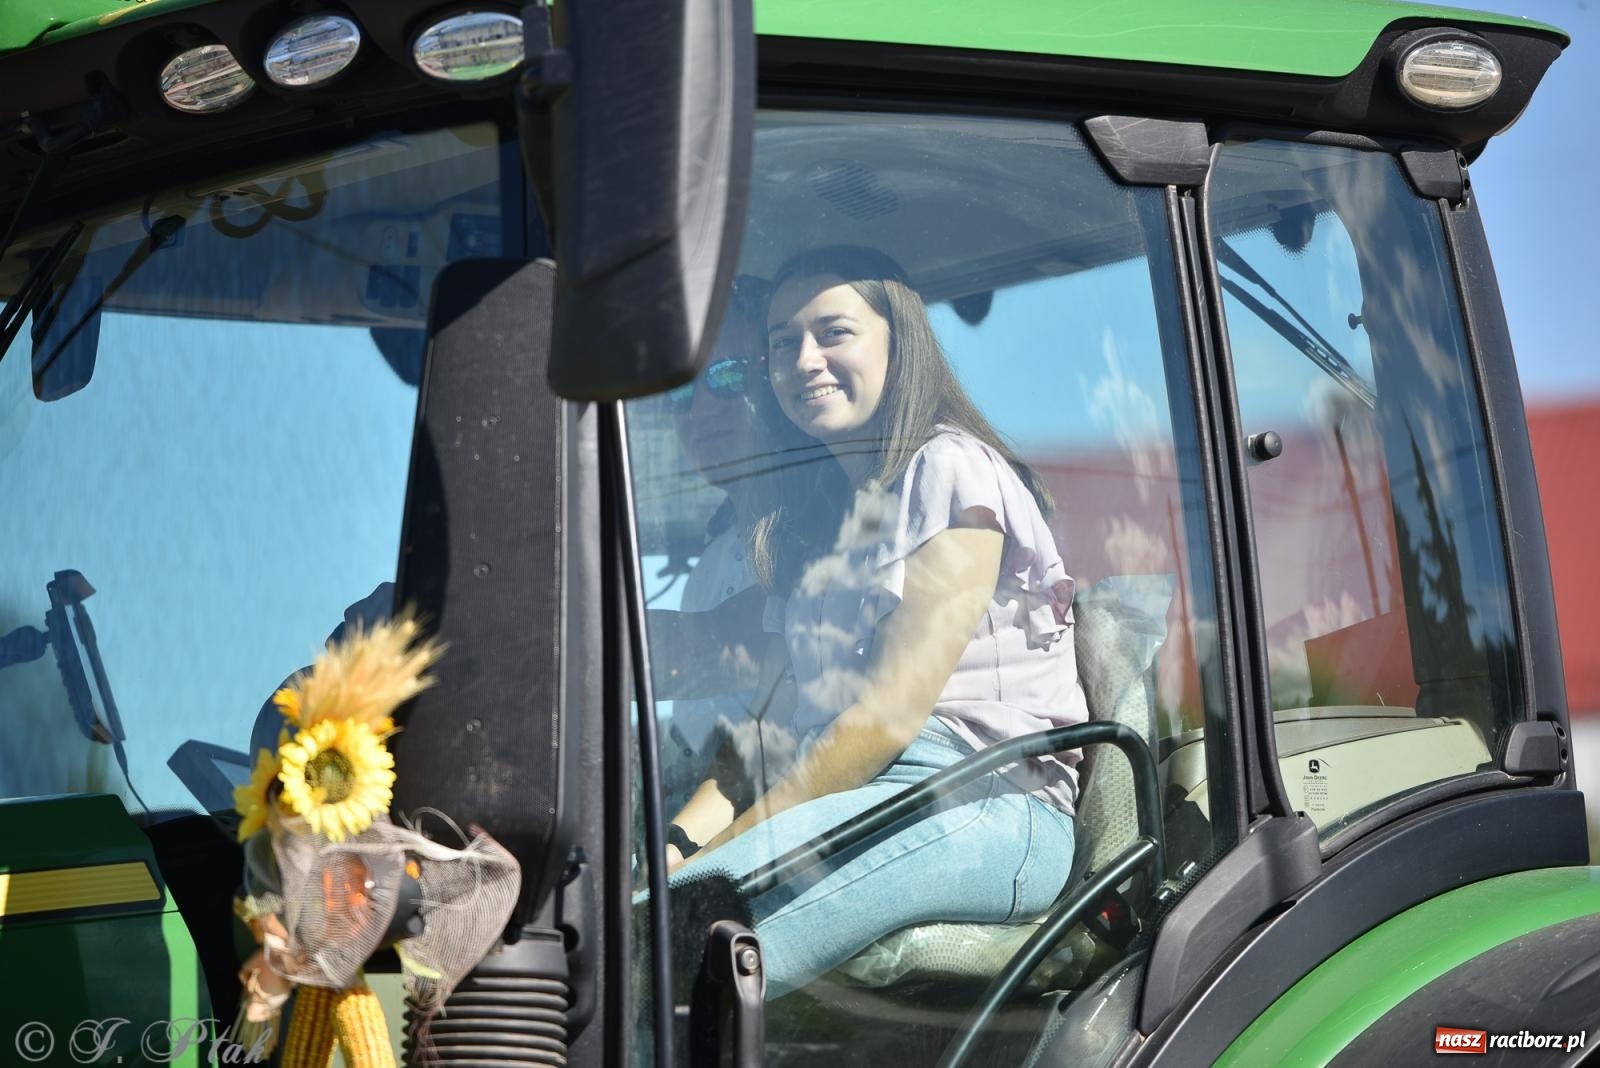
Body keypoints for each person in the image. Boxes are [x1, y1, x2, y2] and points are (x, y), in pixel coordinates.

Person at [664, 246, 1085, 997]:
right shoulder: (822, 527)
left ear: (900, 340)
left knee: (693, 947)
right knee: (645, 916)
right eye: (782, 343)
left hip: (980, 797)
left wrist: (728, 848)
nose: (804, 359)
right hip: (859, 787)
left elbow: (885, 719)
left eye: (833, 332)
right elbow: (771, 737)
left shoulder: (952, 469)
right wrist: (678, 845)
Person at [656, 275, 800, 814]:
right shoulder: (712, 562)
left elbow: (729, 648)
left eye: (731, 376)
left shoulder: (820, 529)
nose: (700, 410)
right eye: (680, 392)